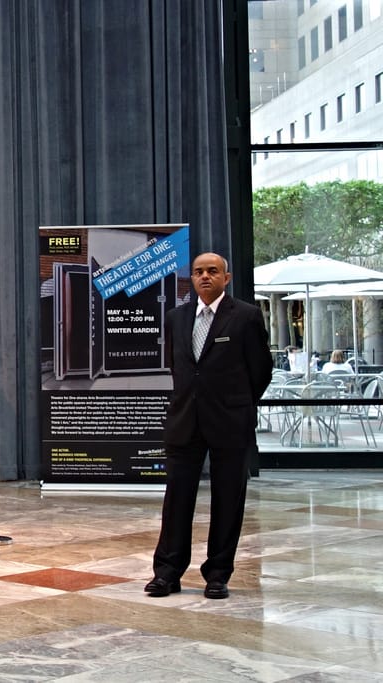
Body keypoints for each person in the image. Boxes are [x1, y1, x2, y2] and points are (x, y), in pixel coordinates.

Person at [145, 252, 273, 600]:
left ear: (226, 278)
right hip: (185, 421)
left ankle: (217, 574)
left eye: (213, 271)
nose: (205, 277)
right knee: (176, 500)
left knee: (228, 499)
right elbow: (179, 367)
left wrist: (236, 403)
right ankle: (167, 573)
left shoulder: (245, 316)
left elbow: (261, 370)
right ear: (192, 278)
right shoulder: (176, 317)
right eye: (199, 272)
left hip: (230, 422)